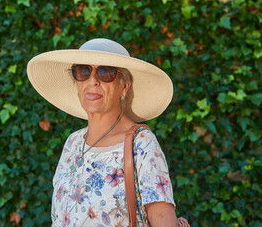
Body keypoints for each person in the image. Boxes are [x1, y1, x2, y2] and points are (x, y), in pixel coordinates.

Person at [27, 38, 190, 227]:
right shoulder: (73, 143)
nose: (93, 81)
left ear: (124, 85)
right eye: (83, 71)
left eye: (105, 72)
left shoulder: (141, 144)